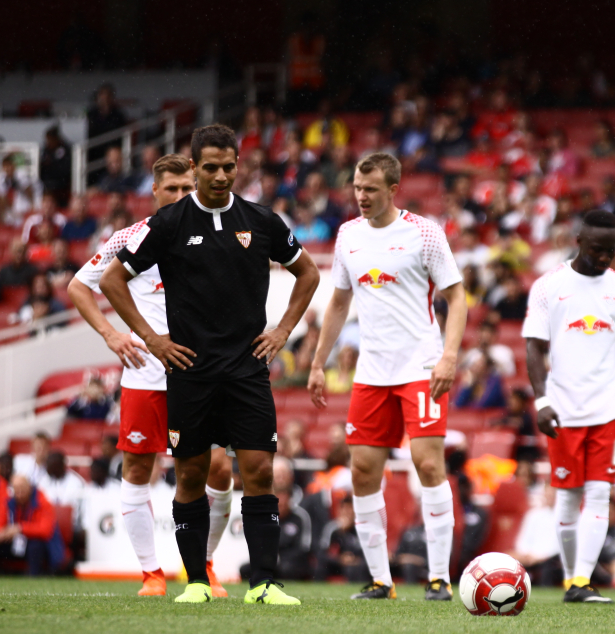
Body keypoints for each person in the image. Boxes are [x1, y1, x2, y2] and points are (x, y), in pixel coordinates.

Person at [100, 124, 319, 605]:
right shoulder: (169, 223)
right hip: (190, 370)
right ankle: (196, 581)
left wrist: (282, 331)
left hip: (246, 368)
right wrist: (153, 339)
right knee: (191, 475)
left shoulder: (262, 220)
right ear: (195, 167)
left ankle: (264, 583)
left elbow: (308, 273)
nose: (220, 175)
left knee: (259, 471)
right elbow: (113, 280)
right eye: (210, 167)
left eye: (228, 166)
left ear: (238, 166)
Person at [70, 153, 241, 597]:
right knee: (137, 468)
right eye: (173, 190)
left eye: (188, 188)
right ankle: (151, 574)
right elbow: (79, 286)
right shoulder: (130, 238)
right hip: (146, 377)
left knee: (218, 471)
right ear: (155, 192)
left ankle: (202, 566)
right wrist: (111, 334)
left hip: (202, 375)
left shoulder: (214, 232)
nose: (182, 196)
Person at [307, 152, 467, 601]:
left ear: (393, 189)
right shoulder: (348, 236)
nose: (362, 196)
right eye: (358, 188)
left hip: (420, 366)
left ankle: (439, 578)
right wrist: (319, 362)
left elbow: (457, 298)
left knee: (429, 465)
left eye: (371, 189)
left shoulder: (424, 233)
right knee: (361, 472)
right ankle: (381, 580)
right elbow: (338, 302)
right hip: (372, 372)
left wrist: (449, 356)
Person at [522, 209, 615, 604]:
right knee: (568, 495)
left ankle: (581, 583)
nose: (605, 257)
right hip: (562, 409)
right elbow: (534, 347)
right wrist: (540, 400)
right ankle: (570, 581)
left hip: (607, 411)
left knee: (597, 494)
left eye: (611, 250)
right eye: (597, 249)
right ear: (578, 242)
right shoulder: (549, 286)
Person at [0, 474, 65, 576]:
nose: (19, 494)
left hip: (42, 545)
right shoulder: (9, 502)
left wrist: (20, 528)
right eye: (16, 490)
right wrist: (1, 533)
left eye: (22, 490)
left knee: (35, 546)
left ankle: (34, 578)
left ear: (29, 488)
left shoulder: (42, 501)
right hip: (17, 542)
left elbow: (45, 530)